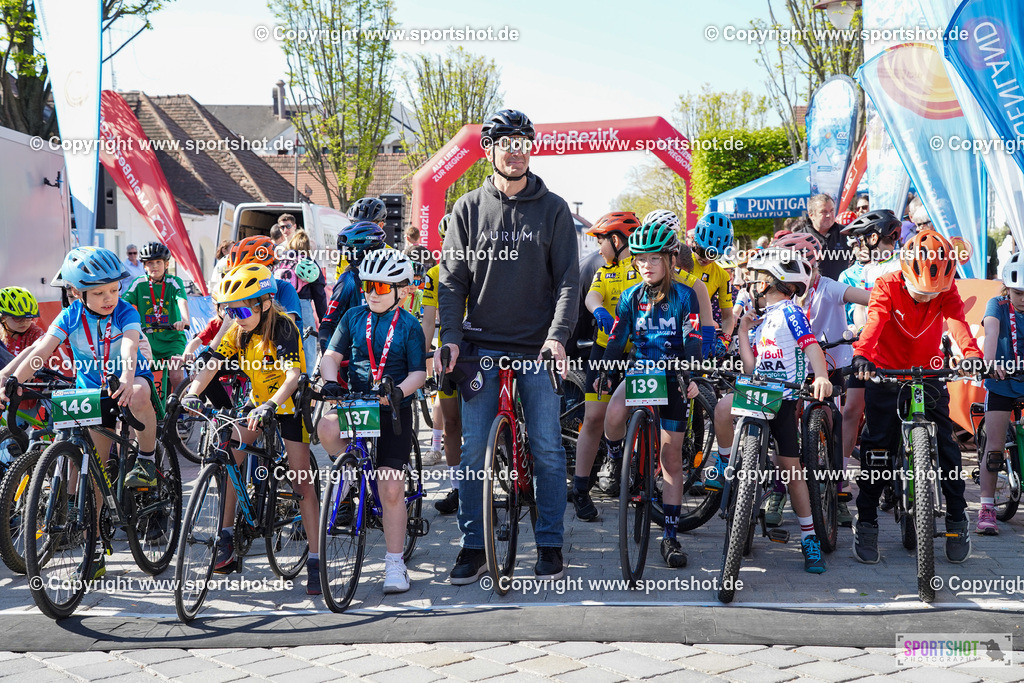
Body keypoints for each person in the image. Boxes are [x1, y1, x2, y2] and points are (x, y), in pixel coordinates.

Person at [435, 109, 579, 585]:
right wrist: (450, 339)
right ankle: (474, 545)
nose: (516, 150)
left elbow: (568, 283)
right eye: (506, 142)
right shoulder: (466, 209)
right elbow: (452, 282)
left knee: (546, 448)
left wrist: (558, 339)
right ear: (489, 151)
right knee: (473, 449)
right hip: (480, 348)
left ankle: (551, 543)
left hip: (537, 348)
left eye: (523, 142)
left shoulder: (554, 208)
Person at [0, 247, 158, 580]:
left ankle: (147, 458)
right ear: (77, 292)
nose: (109, 298)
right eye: (99, 292)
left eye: (114, 289)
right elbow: (42, 350)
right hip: (92, 390)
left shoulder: (125, 311)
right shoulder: (70, 315)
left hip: (130, 377)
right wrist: (14, 380)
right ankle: (95, 546)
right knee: (94, 472)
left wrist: (128, 378)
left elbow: (129, 345)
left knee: (141, 394)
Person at [181, 263, 321, 594]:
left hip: (286, 406)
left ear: (265, 302)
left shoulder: (284, 328)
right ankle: (227, 537)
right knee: (231, 452)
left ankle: (316, 558)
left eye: (243, 308)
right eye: (231, 309)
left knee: (301, 482)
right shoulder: (238, 331)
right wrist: (190, 394)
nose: (237, 315)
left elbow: (293, 376)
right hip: (257, 406)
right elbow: (212, 364)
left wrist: (271, 404)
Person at [851, 229, 980, 565]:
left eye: (931, 295)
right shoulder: (887, 285)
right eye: (919, 293)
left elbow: (957, 321)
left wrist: (971, 353)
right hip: (886, 373)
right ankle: (865, 520)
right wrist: (862, 354)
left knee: (949, 448)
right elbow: (875, 320)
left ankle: (956, 517)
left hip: (928, 373)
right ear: (906, 273)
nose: (925, 300)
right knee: (877, 446)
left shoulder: (946, 288)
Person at [711, 248, 833, 573]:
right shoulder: (762, 320)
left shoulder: (791, 312)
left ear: (768, 284)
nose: (752, 284)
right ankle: (726, 467)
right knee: (722, 408)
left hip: (783, 400)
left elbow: (811, 346)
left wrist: (820, 376)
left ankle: (809, 537)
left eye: (757, 279)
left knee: (792, 472)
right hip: (756, 393)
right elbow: (750, 369)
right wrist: (742, 333)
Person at [318, 250, 426, 594]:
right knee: (325, 427)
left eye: (381, 286)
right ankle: (350, 472)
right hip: (358, 402)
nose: (373, 292)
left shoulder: (409, 325)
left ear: (401, 290)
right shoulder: (353, 316)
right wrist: (331, 379)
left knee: (391, 487)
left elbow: (419, 374)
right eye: (368, 286)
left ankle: (395, 565)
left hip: (392, 407)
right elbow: (331, 355)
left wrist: (398, 393)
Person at [598, 220, 704, 567]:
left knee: (671, 461)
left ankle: (671, 537)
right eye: (641, 259)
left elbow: (693, 339)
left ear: (670, 259)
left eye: (654, 259)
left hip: (673, 373)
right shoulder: (631, 296)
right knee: (612, 414)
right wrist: (605, 370)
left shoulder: (685, 296)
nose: (646, 265)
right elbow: (616, 339)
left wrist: (692, 375)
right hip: (642, 371)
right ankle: (619, 461)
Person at [769, 232, 870, 528]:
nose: (804, 274)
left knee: (832, 422)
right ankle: (778, 490)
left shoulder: (829, 287)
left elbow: (868, 298)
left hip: (829, 365)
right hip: (790, 370)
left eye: (809, 266)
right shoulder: (781, 296)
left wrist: (866, 323)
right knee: (782, 428)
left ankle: (837, 490)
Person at [572, 211, 642, 519]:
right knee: (594, 418)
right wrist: (598, 310)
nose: (598, 249)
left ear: (617, 240)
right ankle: (580, 488)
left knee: (642, 416)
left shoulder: (645, 267)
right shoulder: (605, 270)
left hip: (641, 352)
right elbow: (592, 296)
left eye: (601, 241)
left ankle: (642, 478)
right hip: (605, 351)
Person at [976, 252, 1024, 535]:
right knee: (994, 447)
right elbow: (991, 333)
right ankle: (986, 507)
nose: (1023, 299)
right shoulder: (997, 305)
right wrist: (990, 361)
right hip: (1002, 380)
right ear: (1007, 287)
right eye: (1018, 292)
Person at [421, 214, 463, 508]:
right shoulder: (434, 274)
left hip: (478, 353)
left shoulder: (481, 267)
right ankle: (458, 488)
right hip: (448, 355)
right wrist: (420, 359)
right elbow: (427, 321)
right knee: (450, 423)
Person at [121, 241, 191, 408]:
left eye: (158, 262)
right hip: (149, 340)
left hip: (173, 339)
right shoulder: (139, 283)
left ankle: (181, 410)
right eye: (150, 263)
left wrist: (184, 320)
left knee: (175, 374)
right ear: (144, 266)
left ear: (166, 264)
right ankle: (151, 410)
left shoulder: (174, 282)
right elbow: (124, 304)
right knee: (143, 377)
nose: (154, 266)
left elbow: (182, 300)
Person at [319, 221, 387, 352]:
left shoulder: (386, 279)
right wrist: (330, 361)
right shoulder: (349, 279)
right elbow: (328, 323)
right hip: (353, 358)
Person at [225, 236, 302, 322]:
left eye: (251, 275)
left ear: (270, 269)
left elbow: (287, 328)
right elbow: (227, 326)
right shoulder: (239, 292)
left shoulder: (284, 289)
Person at [685, 212, 736, 342]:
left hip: (697, 334)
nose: (707, 259)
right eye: (702, 251)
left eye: (714, 255)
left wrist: (725, 339)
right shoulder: (680, 262)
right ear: (694, 243)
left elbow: (728, 317)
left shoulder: (722, 276)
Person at [800, 194, 850, 281]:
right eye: (824, 212)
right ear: (811, 215)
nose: (829, 215)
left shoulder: (847, 233)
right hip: (811, 291)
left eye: (831, 210)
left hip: (842, 290)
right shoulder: (799, 239)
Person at [340, 198, 389, 280]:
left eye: (366, 225)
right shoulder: (346, 252)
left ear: (380, 225)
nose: (359, 229)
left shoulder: (391, 254)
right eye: (355, 223)